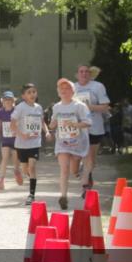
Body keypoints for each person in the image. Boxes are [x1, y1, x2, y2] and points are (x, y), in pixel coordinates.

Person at [50, 78, 92, 210]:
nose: (64, 90)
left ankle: (79, 171)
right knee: (64, 169)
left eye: (67, 88)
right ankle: (63, 196)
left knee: (73, 169)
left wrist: (76, 124)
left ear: (73, 91)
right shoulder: (56, 107)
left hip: (78, 143)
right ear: (58, 92)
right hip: (62, 143)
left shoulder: (80, 106)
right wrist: (53, 124)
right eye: (61, 88)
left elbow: (88, 122)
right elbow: (52, 124)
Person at [73, 63, 111, 193]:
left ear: (90, 74)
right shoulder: (73, 88)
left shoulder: (98, 87)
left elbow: (105, 107)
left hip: (94, 127)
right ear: (77, 75)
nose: (84, 74)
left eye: (86, 72)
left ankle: (86, 182)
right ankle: (83, 173)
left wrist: (89, 107)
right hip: (77, 128)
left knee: (91, 158)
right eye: (81, 72)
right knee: (78, 158)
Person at [12, 83, 52, 205]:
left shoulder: (39, 107)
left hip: (35, 142)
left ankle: (31, 195)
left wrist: (47, 132)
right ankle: (28, 177)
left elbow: (42, 122)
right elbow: (12, 124)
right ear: (23, 96)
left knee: (32, 167)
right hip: (22, 143)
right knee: (25, 170)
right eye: (29, 92)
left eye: (34, 91)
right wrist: (21, 134)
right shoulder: (20, 107)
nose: (32, 94)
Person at [0, 91, 21, 189]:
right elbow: (0, 122)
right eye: (6, 100)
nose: (7, 101)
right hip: (5, 139)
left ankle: (16, 171)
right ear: (3, 101)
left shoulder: (16, 111)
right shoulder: (0, 111)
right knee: (4, 158)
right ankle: (1, 180)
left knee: (15, 160)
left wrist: (17, 130)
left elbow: (19, 121)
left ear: (13, 100)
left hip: (15, 139)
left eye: (9, 99)